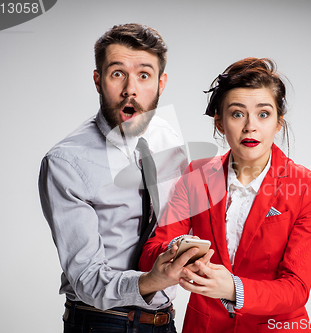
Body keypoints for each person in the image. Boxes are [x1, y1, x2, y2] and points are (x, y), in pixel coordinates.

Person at [139, 58, 311, 332]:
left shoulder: (308, 188)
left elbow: (296, 289)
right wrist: (179, 250)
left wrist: (233, 288)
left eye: (263, 114)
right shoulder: (197, 177)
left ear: (278, 123)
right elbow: (150, 255)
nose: (250, 126)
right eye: (237, 114)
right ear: (219, 122)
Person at [38, 23, 208, 333]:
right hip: (101, 322)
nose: (131, 88)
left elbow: (174, 223)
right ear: (98, 80)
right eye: (118, 73)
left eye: (144, 75)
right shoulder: (66, 161)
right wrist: (153, 279)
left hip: (165, 321)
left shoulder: (167, 138)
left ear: (161, 83)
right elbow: (86, 278)